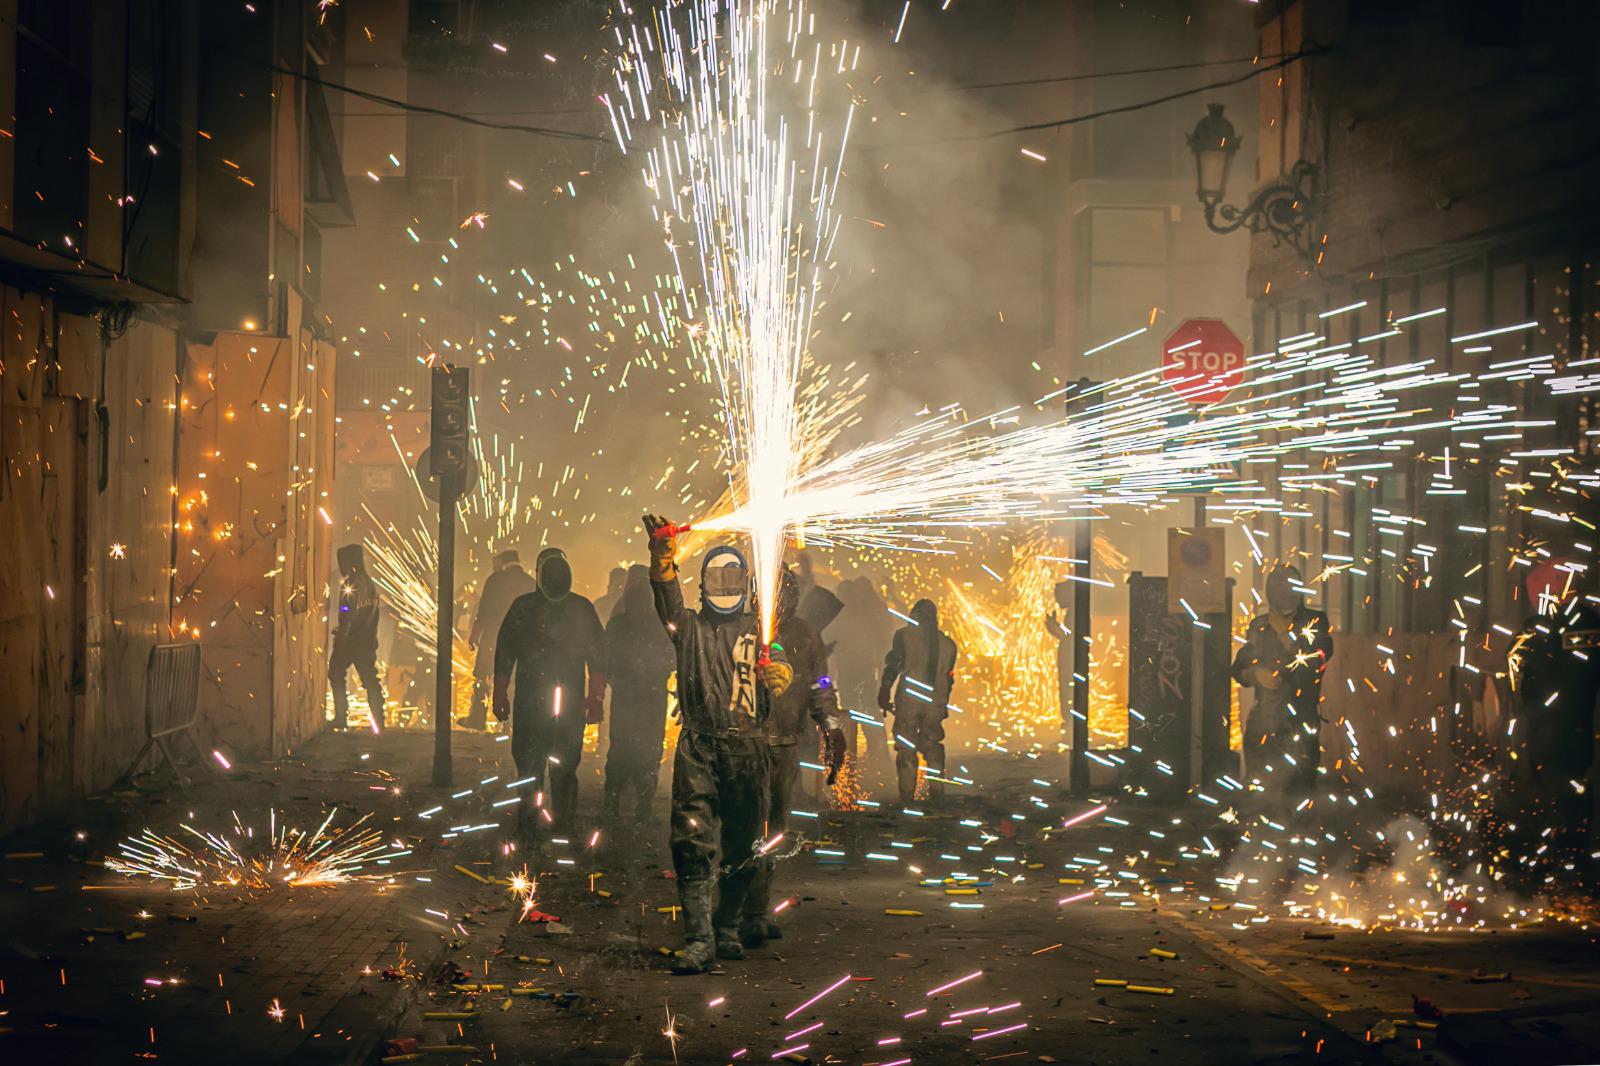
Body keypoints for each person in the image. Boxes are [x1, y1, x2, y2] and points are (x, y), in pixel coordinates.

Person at [641, 514, 793, 975]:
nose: (723, 584)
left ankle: (726, 926)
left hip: (747, 750)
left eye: (731, 576)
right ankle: (699, 937)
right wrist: (661, 559)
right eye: (715, 577)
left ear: (745, 583)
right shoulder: (688, 627)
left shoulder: (763, 633)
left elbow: (781, 662)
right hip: (699, 748)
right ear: (703, 585)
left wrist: (780, 674)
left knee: (745, 844)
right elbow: (667, 599)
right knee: (690, 841)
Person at [742, 567, 845, 948]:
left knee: (773, 830)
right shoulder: (739, 631)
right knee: (742, 826)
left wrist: (831, 726)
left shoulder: (806, 635)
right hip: (742, 746)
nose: (783, 599)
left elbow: (820, 685)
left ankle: (756, 909)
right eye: (776, 592)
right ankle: (733, 910)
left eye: (788, 592)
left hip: (785, 746)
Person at [493, 547, 607, 842]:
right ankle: (549, 826)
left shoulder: (532, 607)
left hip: (543, 703)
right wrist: (594, 699)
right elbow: (505, 655)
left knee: (555, 766)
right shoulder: (570, 608)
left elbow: (598, 659)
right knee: (549, 766)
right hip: (548, 704)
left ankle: (540, 826)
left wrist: (595, 698)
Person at [1230, 564, 1332, 795]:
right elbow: (1240, 666)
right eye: (1277, 584)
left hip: (1301, 717)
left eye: (1289, 584)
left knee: (1301, 783)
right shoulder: (1260, 625)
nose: (1283, 590)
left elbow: (1316, 659)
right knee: (1259, 782)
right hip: (1264, 720)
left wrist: (1286, 634)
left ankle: (1299, 825)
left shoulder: (1315, 621)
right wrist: (1255, 673)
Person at [602, 564, 676, 826]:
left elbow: (606, 659)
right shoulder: (662, 624)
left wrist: (611, 682)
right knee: (649, 752)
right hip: (651, 696)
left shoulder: (618, 622)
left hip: (628, 695)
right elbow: (674, 659)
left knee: (621, 749)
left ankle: (613, 803)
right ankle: (643, 805)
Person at [879, 599, 958, 805]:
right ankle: (937, 791)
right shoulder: (949, 645)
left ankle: (907, 796)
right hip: (936, 702)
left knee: (906, 745)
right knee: (932, 743)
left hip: (910, 701)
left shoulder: (904, 637)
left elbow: (894, 666)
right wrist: (942, 704)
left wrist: (884, 690)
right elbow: (948, 679)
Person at [832, 576, 895, 780]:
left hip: (858, 673)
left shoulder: (852, 616)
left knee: (859, 716)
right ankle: (874, 760)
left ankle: (862, 762)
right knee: (868, 716)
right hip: (862, 672)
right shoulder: (865, 615)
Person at [466, 550, 536, 730]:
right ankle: (511, 724)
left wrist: (475, 634)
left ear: (502, 562)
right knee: (515, 682)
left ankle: (477, 718)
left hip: (494, 638)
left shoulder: (495, 580)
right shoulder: (531, 582)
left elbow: (484, 610)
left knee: (483, 678)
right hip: (522, 641)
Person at [330, 543, 385, 731]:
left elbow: (347, 611)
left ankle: (340, 717)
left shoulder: (351, 584)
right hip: (366, 640)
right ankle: (379, 720)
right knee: (370, 680)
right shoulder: (370, 584)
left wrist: (342, 636)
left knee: (336, 673)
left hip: (352, 640)